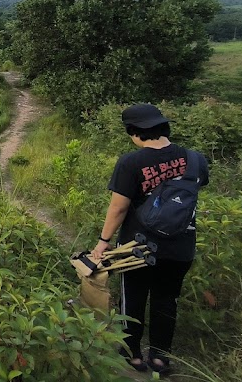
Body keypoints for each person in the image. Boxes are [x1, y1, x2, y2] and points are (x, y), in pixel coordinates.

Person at [90, 103, 209, 377]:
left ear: (134, 132)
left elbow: (118, 208)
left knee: (132, 300)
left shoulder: (131, 162)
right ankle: (159, 359)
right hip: (181, 246)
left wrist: (102, 242)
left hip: (138, 247)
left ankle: (132, 356)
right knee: (167, 301)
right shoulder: (195, 159)